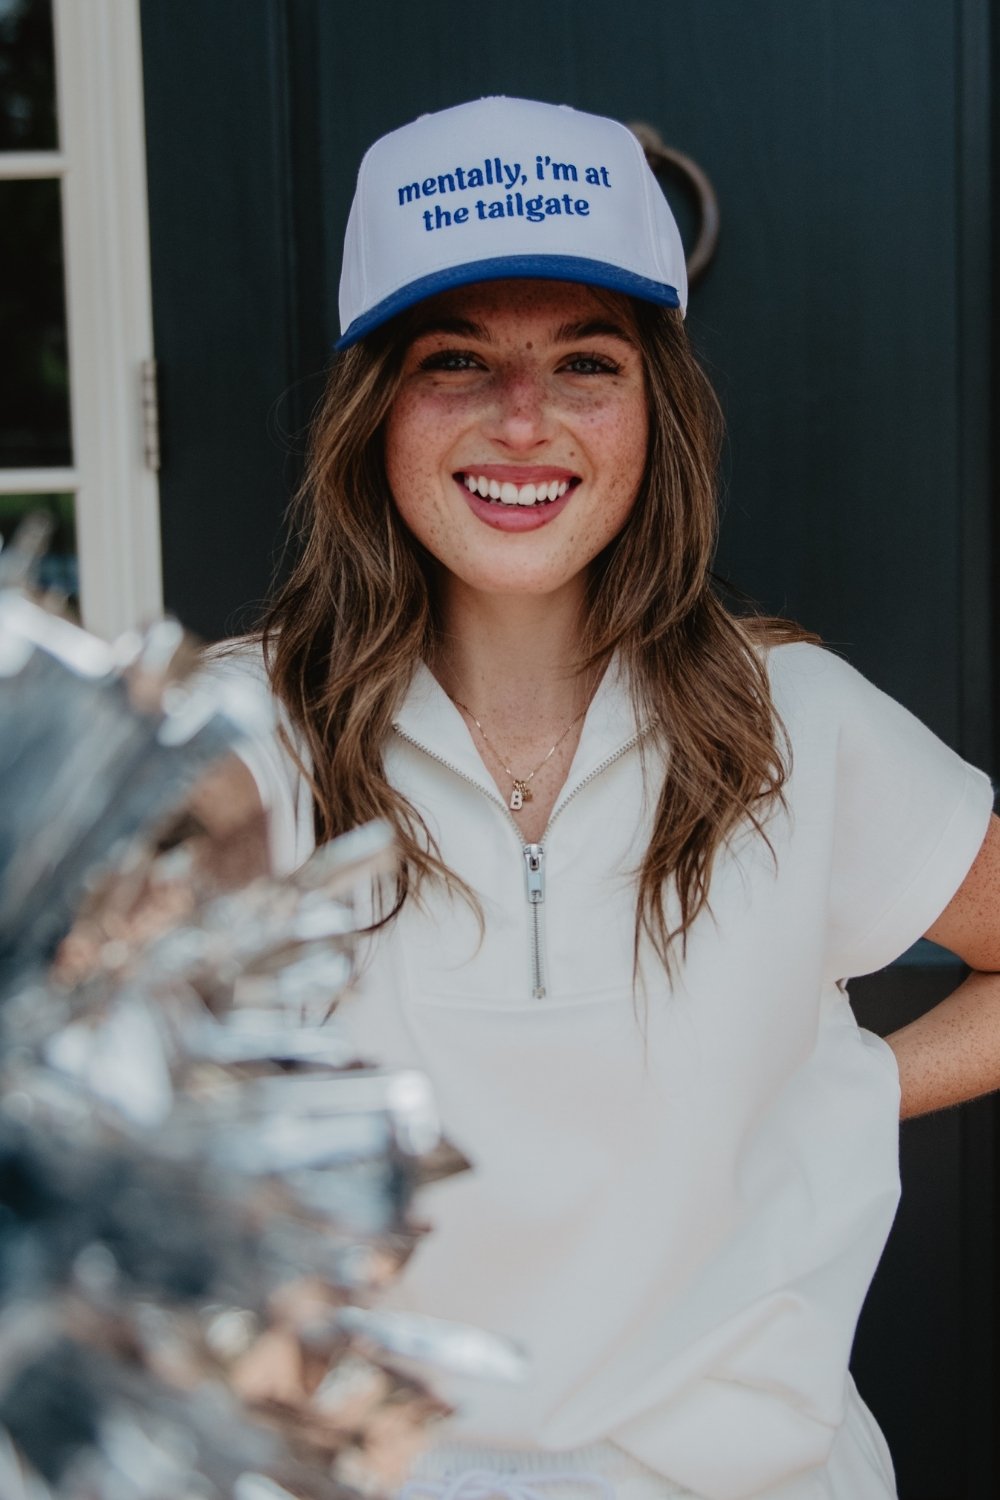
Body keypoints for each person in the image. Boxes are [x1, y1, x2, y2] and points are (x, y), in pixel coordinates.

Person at [212, 97, 1000, 1500]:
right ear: (374, 407)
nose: (524, 420)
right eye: (456, 360)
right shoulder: (240, 737)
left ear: (657, 411)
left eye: (587, 361)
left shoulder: (799, 724)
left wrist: (845, 1086)